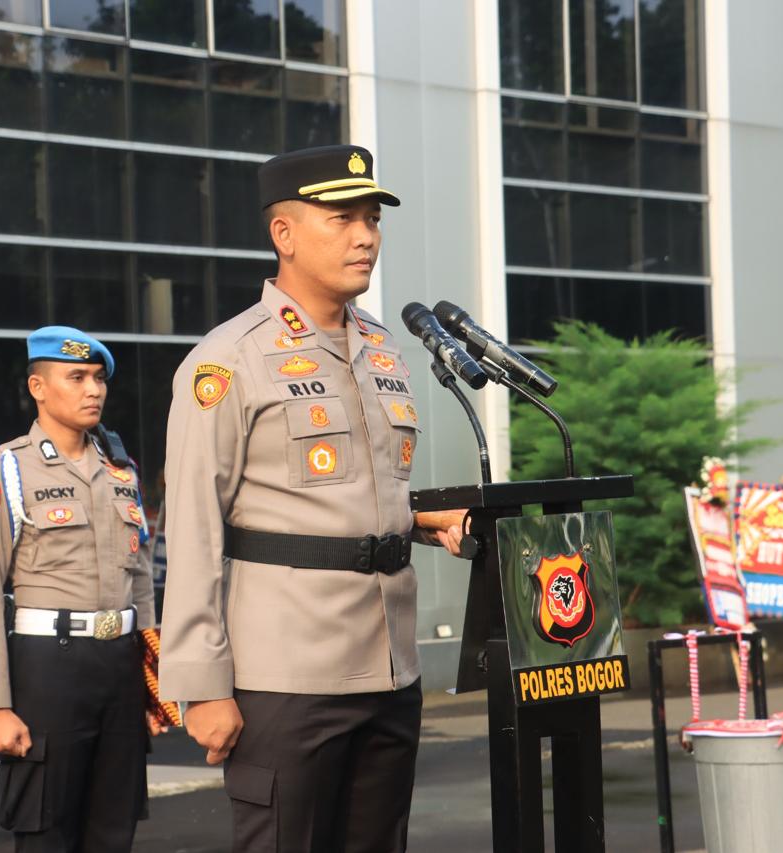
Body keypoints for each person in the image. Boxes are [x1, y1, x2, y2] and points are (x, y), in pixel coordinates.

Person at [159, 144, 465, 852]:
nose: (366, 237)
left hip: (390, 668)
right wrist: (202, 685)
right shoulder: (229, 359)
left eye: (372, 219)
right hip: (286, 676)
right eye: (342, 219)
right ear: (285, 234)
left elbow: (356, 492)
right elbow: (195, 526)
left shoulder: (383, 349)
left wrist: (421, 519)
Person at [0, 326, 156, 852]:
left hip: (119, 668)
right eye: (77, 377)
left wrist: (152, 681)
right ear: (38, 387)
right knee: (46, 828)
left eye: (98, 378)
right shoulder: (5, 469)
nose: (93, 390)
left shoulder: (120, 471)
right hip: (49, 668)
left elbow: (139, 580)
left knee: (114, 828)